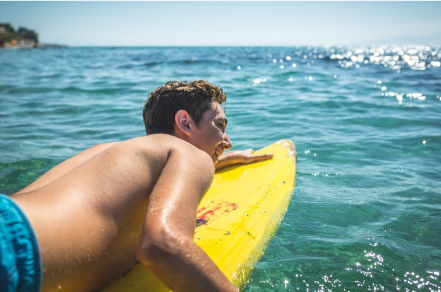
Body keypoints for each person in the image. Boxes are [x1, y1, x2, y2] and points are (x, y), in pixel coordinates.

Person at [1, 80, 272, 292]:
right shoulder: (191, 156)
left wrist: (216, 161)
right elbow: (162, 246)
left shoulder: (106, 151)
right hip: (15, 255)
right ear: (184, 122)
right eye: (220, 125)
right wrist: (203, 161)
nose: (227, 141)